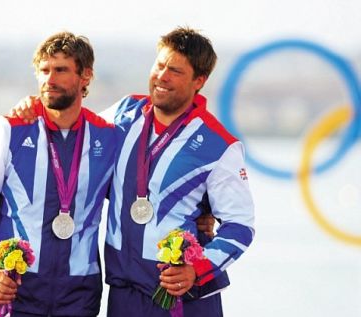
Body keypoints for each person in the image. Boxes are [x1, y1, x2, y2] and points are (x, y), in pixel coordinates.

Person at [13, 27, 255, 316]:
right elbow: (72, 136)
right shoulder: (123, 114)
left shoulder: (219, 145)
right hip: (124, 294)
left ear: (199, 81)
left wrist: (197, 268)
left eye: (175, 71)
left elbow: (240, 225)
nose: (162, 76)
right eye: (160, 65)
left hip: (183, 297)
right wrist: (35, 106)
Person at [0, 32, 116, 317]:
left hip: (78, 298)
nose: (49, 80)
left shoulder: (109, 137)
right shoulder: (9, 130)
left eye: (61, 70)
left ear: (86, 75)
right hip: (13, 290)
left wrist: (204, 214)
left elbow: (142, 192)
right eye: (44, 70)